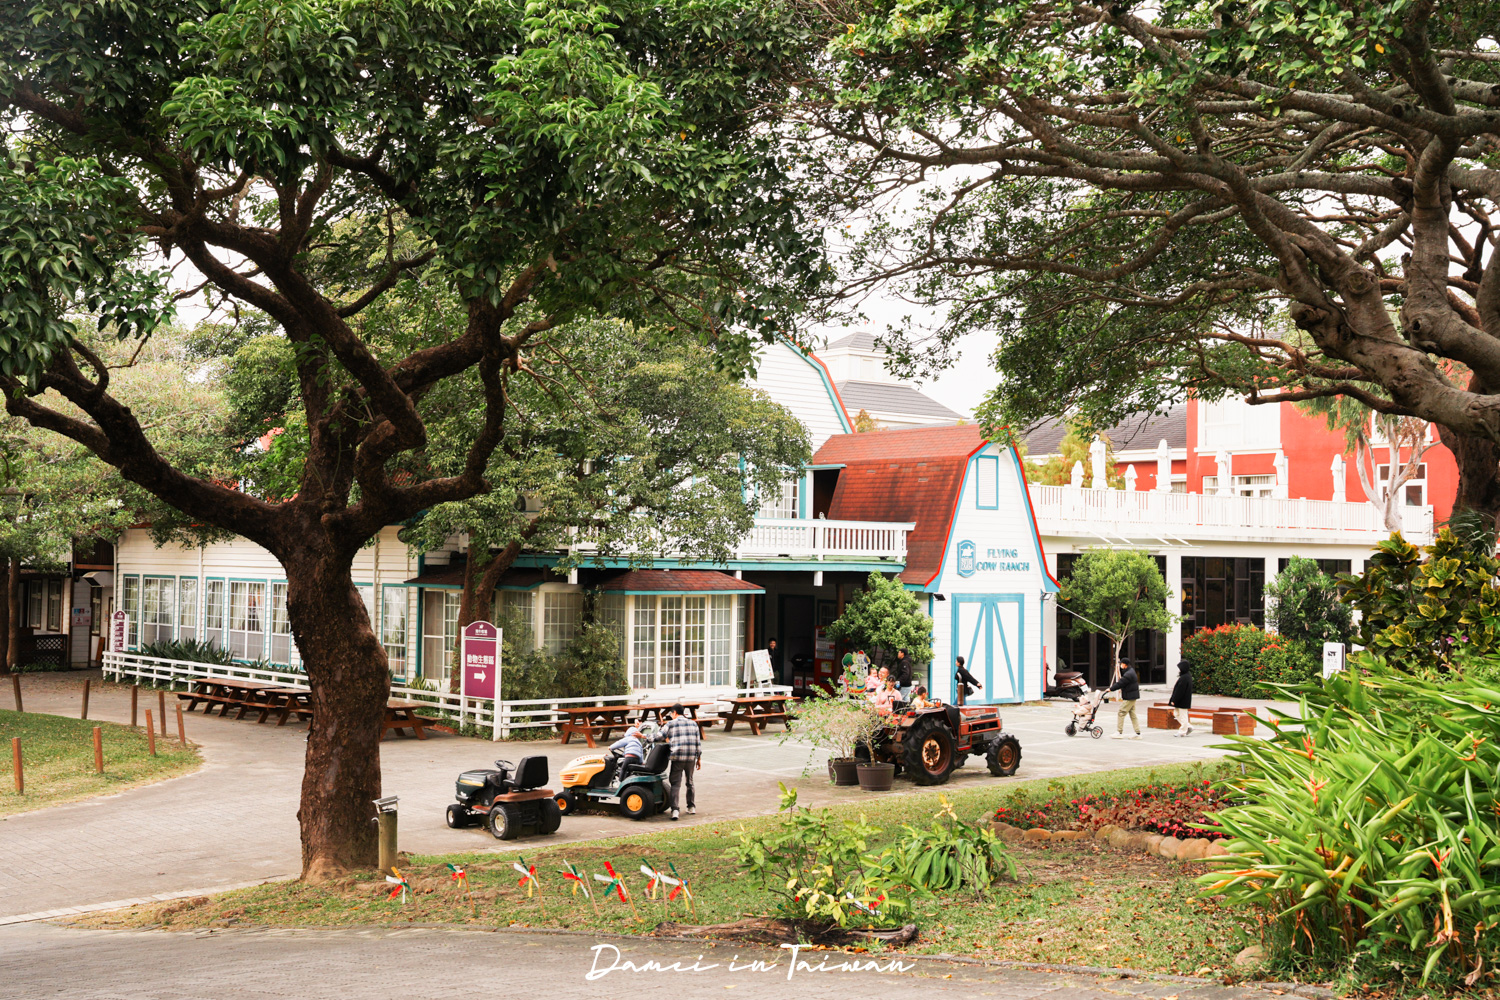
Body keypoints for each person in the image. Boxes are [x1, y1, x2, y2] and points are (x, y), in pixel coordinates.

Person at [661, 704, 701, 820]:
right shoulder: (693, 724)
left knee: (675, 784)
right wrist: (699, 758)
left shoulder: (671, 724)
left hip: (677, 757)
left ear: (674, 713)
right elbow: (698, 743)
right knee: (690, 782)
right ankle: (691, 806)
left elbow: (659, 736)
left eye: (671, 714)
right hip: (690, 757)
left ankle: (675, 810)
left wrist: (643, 736)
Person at [1107, 660, 1142, 739]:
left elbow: (1120, 683)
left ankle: (1119, 732)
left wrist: (1110, 689)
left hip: (1130, 697)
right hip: (1132, 696)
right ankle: (1138, 733)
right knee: (1132, 714)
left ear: (1125, 664)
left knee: (1121, 712)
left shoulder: (1128, 674)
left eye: (1121, 664)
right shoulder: (1130, 671)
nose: (1120, 665)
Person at [1168, 660, 1195, 736]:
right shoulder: (1186, 676)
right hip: (1183, 700)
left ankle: (1182, 731)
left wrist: (1174, 700)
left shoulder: (1184, 678)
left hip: (1182, 700)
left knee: (1182, 716)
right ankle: (1188, 727)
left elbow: (1180, 691)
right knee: (1177, 714)